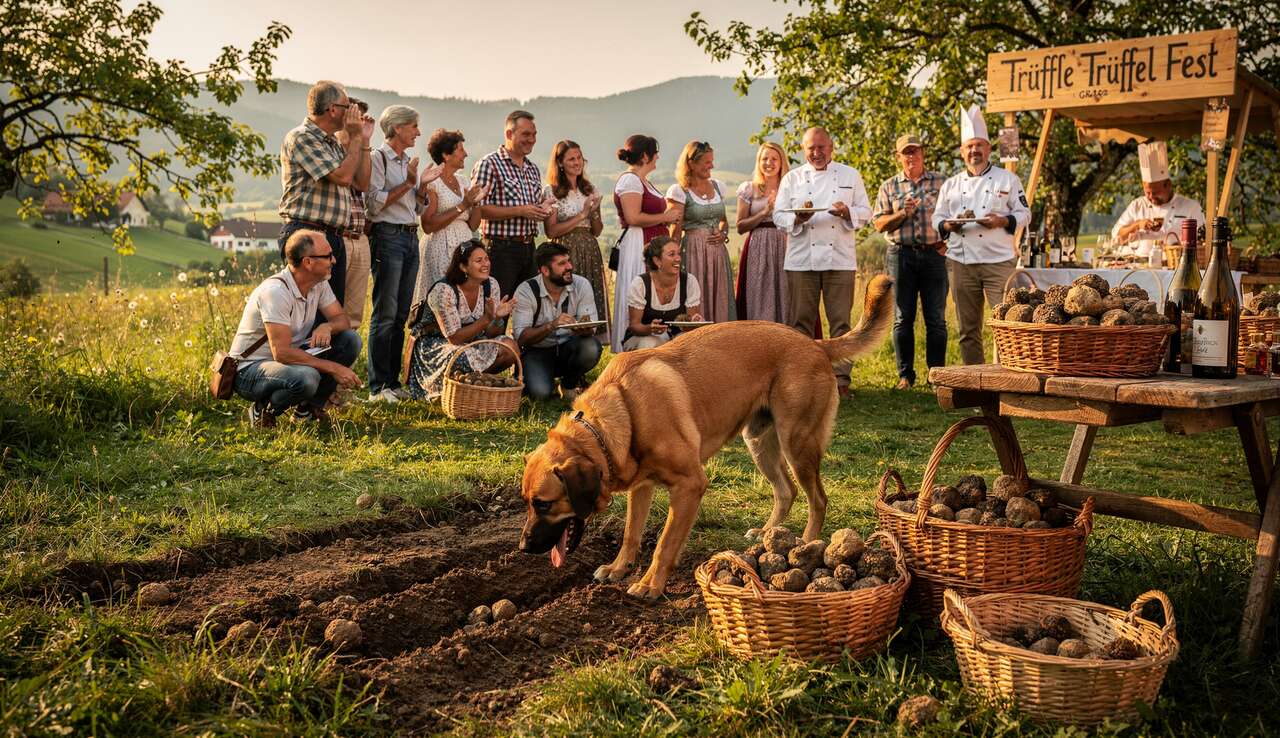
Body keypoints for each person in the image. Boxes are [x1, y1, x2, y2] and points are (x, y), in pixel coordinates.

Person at [772, 126, 873, 396]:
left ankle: (841, 381)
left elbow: (866, 212)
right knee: (800, 323)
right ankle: (802, 379)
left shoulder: (850, 175)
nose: (816, 153)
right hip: (801, 259)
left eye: (821, 147)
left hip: (839, 259)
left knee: (840, 322)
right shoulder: (792, 179)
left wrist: (847, 212)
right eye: (811, 149)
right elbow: (779, 216)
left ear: (831, 147)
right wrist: (797, 218)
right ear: (803, 150)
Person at [230, 229, 362, 428]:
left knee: (350, 340)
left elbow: (342, 320)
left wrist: (327, 326)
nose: (334, 260)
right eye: (327, 256)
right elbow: (281, 353)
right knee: (307, 377)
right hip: (250, 370)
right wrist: (334, 368)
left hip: (286, 360)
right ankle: (263, 410)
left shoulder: (319, 283)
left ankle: (307, 410)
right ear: (308, 262)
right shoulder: (275, 292)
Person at [933, 105, 1031, 366]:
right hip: (961, 262)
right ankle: (976, 383)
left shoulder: (1007, 179)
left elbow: (1025, 213)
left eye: (979, 145)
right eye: (969, 146)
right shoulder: (951, 185)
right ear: (962, 152)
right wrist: (948, 226)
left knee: (1007, 324)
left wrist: (1004, 220)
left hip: (999, 262)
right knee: (968, 330)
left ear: (989, 148)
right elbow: (937, 218)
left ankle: (1010, 376)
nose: (974, 151)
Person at [365, 105, 440, 403]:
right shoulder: (378, 158)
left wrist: (421, 192)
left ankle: (392, 382)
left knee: (400, 314)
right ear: (397, 128)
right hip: (388, 236)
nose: (418, 133)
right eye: (413, 127)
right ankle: (377, 386)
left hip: (410, 236)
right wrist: (410, 183)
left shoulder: (408, 160)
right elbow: (374, 203)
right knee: (384, 312)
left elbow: (416, 208)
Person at [277, 80, 373, 313]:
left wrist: (362, 142)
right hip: (307, 234)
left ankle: (327, 351)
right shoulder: (302, 137)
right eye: (346, 106)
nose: (351, 112)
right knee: (310, 315)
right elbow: (342, 176)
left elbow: (360, 183)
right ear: (332, 109)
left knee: (331, 314)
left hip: (331, 237)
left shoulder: (332, 144)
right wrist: (356, 138)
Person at [873, 134, 948, 389]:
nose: (911, 156)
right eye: (906, 152)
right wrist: (902, 213)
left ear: (922, 153)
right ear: (898, 157)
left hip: (933, 254)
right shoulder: (889, 186)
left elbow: (956, 213)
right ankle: (905, 375)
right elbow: (879, 223)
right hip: (900, 254)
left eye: (915, 151)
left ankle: (936, 375)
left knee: (936, 318)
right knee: (902, 318)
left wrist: (948, 242)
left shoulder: (941, 181)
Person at [406, 240, 518, 400]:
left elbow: (492, 333)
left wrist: (497, 318)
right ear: (463, 267)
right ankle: (452, 389)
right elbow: (454, 338)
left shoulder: (491, 285)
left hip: (472, 342)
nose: (485, 264)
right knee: (462, 355)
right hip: (436, 344)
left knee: (510, 347)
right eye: (479, 261)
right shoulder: (444, 291)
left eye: (486, 259)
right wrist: (486, 319)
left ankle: (472, 385)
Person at [471, 110, 553, 297]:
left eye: (534, 135)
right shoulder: (489, 164)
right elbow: (478, 208)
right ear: (509, 134)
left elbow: (529, 209)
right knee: (497, 312)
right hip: (500, 250)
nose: (531, 139)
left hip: (529, 248)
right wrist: (521, 211)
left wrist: (542, 208)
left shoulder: (532, 168)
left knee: (529, 310)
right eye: (526, 134)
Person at [612, 134, 681, 354]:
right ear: (645, 155)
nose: (658, 156)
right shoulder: (630, 180)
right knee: (639, 289)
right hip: (638, 243)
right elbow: (633, 217)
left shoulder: (643, 181)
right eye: (655, 152)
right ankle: (631, 344)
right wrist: (666, 217)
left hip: (653, 242)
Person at [511, 243, 604, 401]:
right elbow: (522, 338)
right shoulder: (526, 290)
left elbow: (590, 330)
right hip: (537, 351)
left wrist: (584, 328)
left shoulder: (581, 284)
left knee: (591, 346)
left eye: (568, 261)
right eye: (562, 264)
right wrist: (551, 325)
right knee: (540, 393)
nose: (569, 267)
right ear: (545, 271)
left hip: (568, 346)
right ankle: (535, 378)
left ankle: (568, 384)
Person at [543, 140, 607, 339]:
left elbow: (597, 230)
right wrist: (582, 214)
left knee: (590, 294)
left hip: (589, 249)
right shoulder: (551, 191)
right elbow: (551, 231)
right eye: (571, 158)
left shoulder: (589, 189)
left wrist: (595, 211)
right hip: (565, 250)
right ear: (560, 163)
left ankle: (590, 338)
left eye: (579, 158)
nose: (577, 162)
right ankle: (564, 337)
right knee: (568, 294)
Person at [415, 129, 486, 303]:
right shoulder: (433, 182)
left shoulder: (463, 181)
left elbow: (474, 225)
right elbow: (428, 225)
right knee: (443, 297)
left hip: (463, 245)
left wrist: (476, 202)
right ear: (446, 155)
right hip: (440, 246)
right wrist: (463, 205)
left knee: (462, 298)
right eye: (460, 149)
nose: (466, 154)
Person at [667, 141, 733, 323]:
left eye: (712, 161)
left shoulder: (719, 187)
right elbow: (675, 229)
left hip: (718, 255)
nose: (711, 165)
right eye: (706, 162)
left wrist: (723, 233)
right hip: (693, 253)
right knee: (696, 296)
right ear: (691, 163)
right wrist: (672, 257)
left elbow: (724, 221)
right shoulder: (680, 191)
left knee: (719, 297)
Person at [1112, 141, 1206, 258]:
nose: (1151, 197)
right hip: (1139, 265)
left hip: (1176, 265)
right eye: (1147, 193)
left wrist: (1178, 246)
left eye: (1155, 192)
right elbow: (1116, 238)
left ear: (1168, 185)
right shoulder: (1137, 205)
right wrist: (1137, 225)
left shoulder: (1191, 207)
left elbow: (1203, 241)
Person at [735, 142, 788, 324]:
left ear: (782, 162)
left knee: (786, 295)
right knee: (758, 294)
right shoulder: (749, 188)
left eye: (774, 158)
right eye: (764, 158)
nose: (769, 163)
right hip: (758, 246)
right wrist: (764, 212)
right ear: (758, 161)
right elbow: (741, 226)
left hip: (785, 245)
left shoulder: (789, 187)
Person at [624, 236, 705, 351]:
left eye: (679, 253)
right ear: (657, 261)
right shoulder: (641, 284)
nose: (678, 259)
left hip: (676, 337)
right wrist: (649, 329)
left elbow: (690, 326)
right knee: (652, 343)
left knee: (689, 343)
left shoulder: (689, 281)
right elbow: (634, 326)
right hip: (643, 338)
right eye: (672, 254)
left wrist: (695, 321)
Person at [335, 97, 372, 332]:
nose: (361, 123)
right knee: (332, 309)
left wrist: (365, 141)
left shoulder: (360, 147)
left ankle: (344, 365)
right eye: (357, 117)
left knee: (354, 315)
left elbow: (364, 184)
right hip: (339, 234)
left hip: (359, 236)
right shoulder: (332, 147)